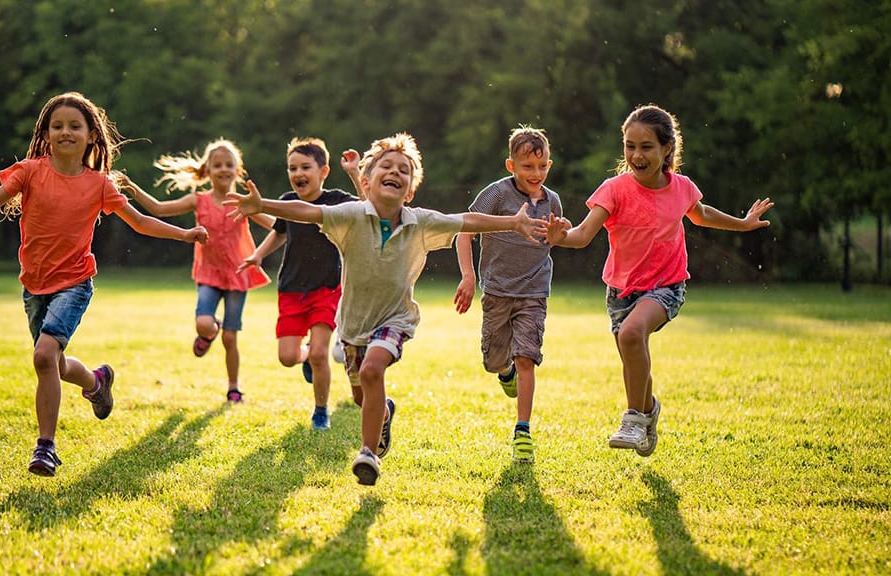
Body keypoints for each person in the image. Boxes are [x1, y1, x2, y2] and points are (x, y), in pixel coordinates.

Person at [225, 133, 556, 486]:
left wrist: (513, 223)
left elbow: (467, 220)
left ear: (410, 190)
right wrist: (264, 206)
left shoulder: (420, 221)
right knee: (360, 395)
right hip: (353, 323)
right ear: (366, 182)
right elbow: (307, 211)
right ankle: (383, 412)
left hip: (395, 319)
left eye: (404, 170)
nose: (395, 171)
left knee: (372, 371)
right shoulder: (350, 216)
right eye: (386, 166)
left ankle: (368, 454)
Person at [0, 91, 208, 477]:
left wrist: (184, 235)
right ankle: (96, 381)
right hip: (35, 285)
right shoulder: (29, 171)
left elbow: (140, 221)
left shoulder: (98, 184)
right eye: (57, 126)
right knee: (53, 361)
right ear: (46, 133)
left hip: (75, 281)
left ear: (91, 136)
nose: (65, 131)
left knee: (42, 357)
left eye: (74, 126)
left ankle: (46, 448)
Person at [548, 104, 774, 457]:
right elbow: (581, 235)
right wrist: (558, 235)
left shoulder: (681, 188)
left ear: (668, 148)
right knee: (634, 354)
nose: (636, 155)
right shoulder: (614, 189)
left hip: (667, 286)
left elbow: (702, 216)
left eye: (646, 147)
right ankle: (649, 411)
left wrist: (743, 223)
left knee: (632, 334)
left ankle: (634, 418)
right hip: (621, 291)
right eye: (629, 146)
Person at [117, 139, 274, 404]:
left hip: (239, 273)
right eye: (217, 165)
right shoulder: (197, 201)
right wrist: (131, 189)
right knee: (203, 323)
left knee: (230, 338)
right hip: (209, 274)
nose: (223, 169)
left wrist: (292, 221)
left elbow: (276, 226)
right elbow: (158, 209)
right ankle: (209, 331)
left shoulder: (243, 202)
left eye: (229, 165)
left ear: (238, 170)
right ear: (207, 170)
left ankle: (233, 387)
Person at [454, 126, 563, 463]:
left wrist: (561, 234)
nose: (536, 173)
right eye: (528, 167)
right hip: (498, 291)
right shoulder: (498, 195)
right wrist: (469, 276)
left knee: (526, 356)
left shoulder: (551, 200)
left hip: (534, 290)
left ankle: (523, 430)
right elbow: (464, 230)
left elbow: (556, 238)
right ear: (511, 165)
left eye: (542, 166)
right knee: (494, 361)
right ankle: (505, 374)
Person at [237, 137, 361, 430]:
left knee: (321, 353)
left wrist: (355, 173)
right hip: (291, 289)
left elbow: (368, 208)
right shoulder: (286, 202)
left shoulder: (335, 200)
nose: (297, 173)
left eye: (305, 167)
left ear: (324, 172)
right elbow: (279, 233)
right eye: (292, 168)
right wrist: (256, 255)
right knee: (287, 357)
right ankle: (305, 358)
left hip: (327, 288)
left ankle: (320, 411)